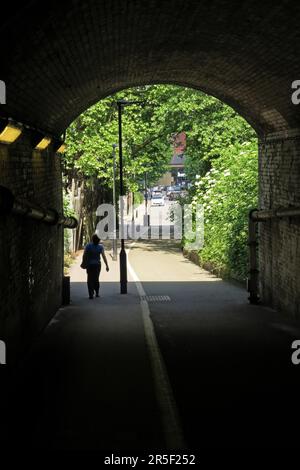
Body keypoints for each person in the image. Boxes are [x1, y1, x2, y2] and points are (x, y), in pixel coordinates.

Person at [84, 234, 109, 299]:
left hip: (89, 265)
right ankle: (97, 293)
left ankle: (90, 294)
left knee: (89, 279)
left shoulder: (88, 246)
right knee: (96, 279)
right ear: (98, 240)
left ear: (92, 239)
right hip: (97, 265)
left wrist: (84, 263)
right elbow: (104, 256)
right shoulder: (100, 247)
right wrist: (107, 265)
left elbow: (84, 255)